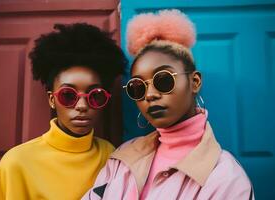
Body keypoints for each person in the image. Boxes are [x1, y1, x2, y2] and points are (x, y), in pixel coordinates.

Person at [83, 9, 254, 199]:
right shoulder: (122, 157)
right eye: (138, 87)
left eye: (163, 80)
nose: (149, 95)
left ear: (195, 82)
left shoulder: (226, 177)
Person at [0, 23, 127, 200]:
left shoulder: (109, 155)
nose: (82, 105)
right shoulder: (17, 162)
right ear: (52, 99)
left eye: (95, 95)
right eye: (68, 95)